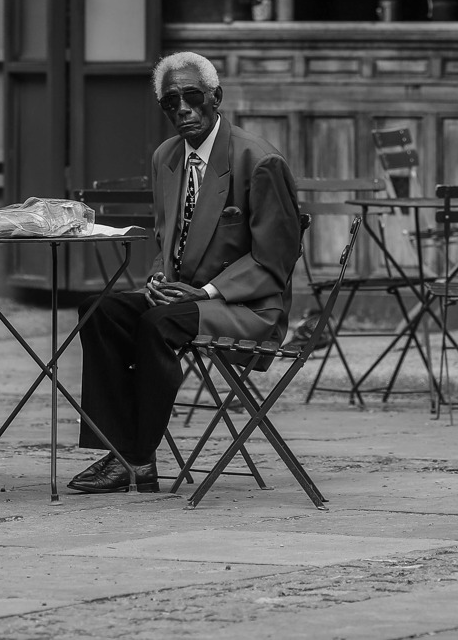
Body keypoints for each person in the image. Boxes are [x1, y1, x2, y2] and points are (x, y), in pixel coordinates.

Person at [69, 50, 302, 494]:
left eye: (192, 97)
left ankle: (134, 458)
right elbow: (166, 237)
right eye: (170, 102)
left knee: (158, 324)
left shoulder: (260, 160)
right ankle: (121, 450)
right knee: (99, 311)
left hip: (246, 304)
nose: (182, 109)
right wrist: (158, 278)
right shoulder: (166, 157)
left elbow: (274, 260)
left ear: (216, 97)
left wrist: (206, 292)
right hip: (182, 296)